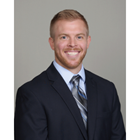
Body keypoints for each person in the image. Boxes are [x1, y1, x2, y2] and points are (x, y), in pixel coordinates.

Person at [14, 9, 126, 140]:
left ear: (88, 41)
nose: (72, 44)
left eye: (79, 37)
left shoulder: (107, 90)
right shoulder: (31, 94)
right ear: (52, 43)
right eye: (64, 37)